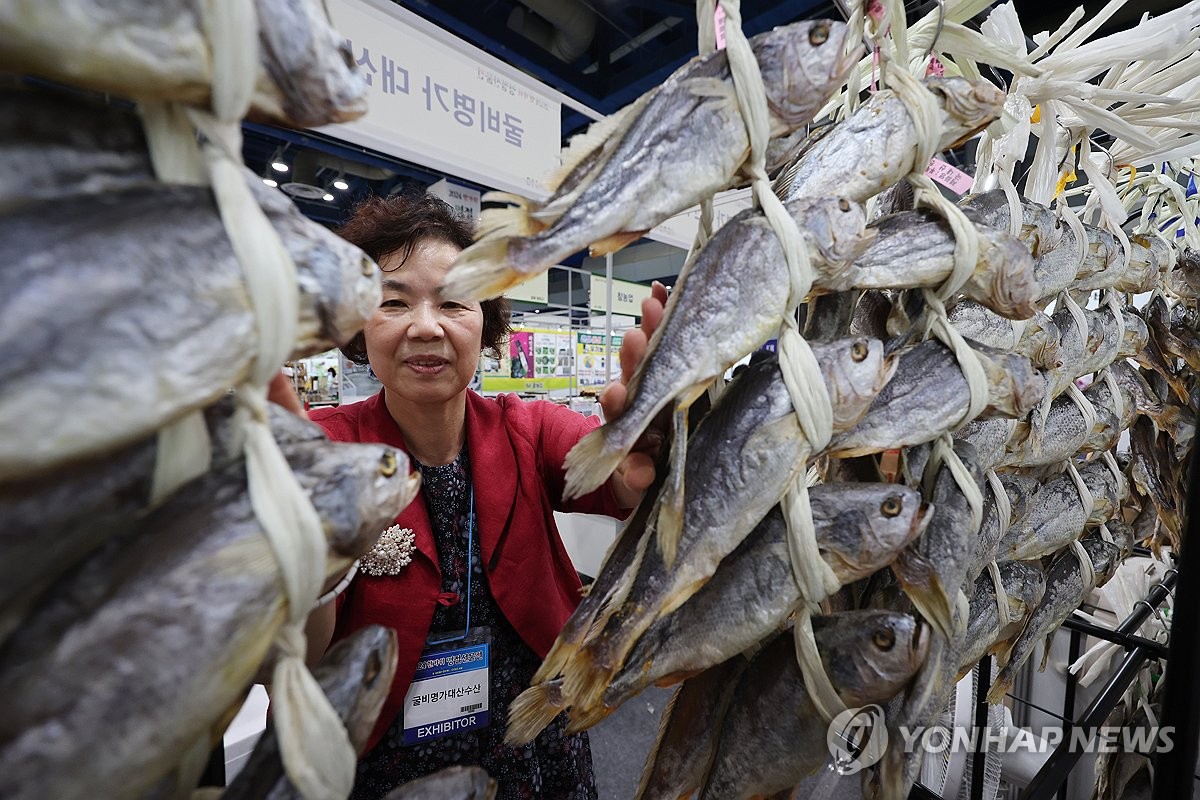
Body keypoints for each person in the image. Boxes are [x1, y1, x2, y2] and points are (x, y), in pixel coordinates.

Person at [297, 194, 666, 800]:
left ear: (485, 323)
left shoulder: (528, 428)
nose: (425, 324)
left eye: (452, 302)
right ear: (359, 326)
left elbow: (620, 479)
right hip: (387, 762)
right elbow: (302, 657)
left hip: (535, 745)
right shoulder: (326, 451)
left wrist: (645, 448)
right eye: (393, 302)